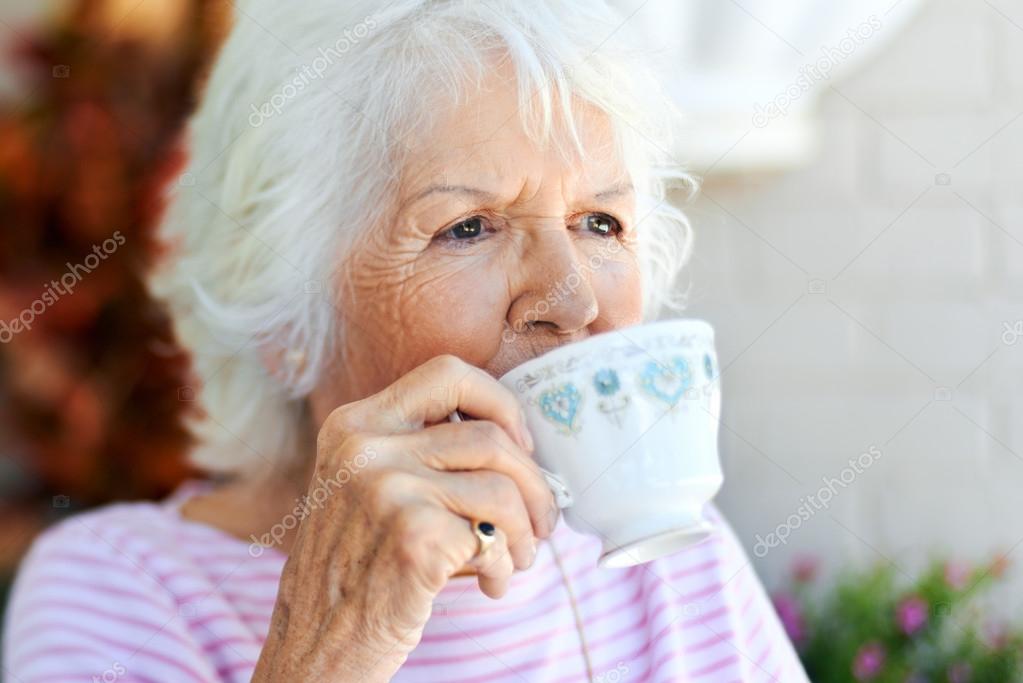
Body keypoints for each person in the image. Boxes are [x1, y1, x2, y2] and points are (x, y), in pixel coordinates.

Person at [3, 1, 809, 680]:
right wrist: (329, 649)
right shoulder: (115, 590)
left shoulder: (670, 559)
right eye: (467, 227)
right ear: (284, 318)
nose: (572, 299)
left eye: (600, 221)